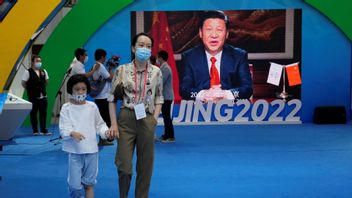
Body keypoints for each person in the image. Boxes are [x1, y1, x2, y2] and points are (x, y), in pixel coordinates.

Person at [108, 32, 164, 198]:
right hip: (126, 118)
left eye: (148, 46)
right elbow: (112, 98)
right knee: (124, 166)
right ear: (133, 48)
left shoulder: (156, 72)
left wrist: (154, 119)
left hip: (147, 119)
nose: (144, 49)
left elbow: (159, 97)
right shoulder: (122, 70)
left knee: (145, 166)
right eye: (141, 45)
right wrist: (113, 124)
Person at [180, 10, 253, 102]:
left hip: (232, 111)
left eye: (219, 30)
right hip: (200, 112)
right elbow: (184, 90)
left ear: (227, 34)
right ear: (201, 33)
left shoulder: (239, 56)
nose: (214, 35)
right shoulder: (189, 57)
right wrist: (203, 95)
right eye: (209, 29)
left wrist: (225, 94)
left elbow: (247, 89)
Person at [59, 74, 112, 198]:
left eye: (83, 89)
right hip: (75, 151)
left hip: (91, 151)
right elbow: (63, 128)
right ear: (71, 90)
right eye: (77, 89)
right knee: (74, 185)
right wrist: (72, 133)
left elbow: (100, 124)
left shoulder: (92, 107)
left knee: (89, 184)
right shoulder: (66, 108)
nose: (81, 92)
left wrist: (106, 132)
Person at [52, 48, 99, 124]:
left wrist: (89, 85)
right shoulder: (77, 65)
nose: (87, 57)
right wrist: (94, 70)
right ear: (81, 56)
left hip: (76, 90)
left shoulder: (80, 65)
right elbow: (85, 76)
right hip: (73, 91)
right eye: (85, 55)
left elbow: (81, 79)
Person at [21, 55, 51, 135]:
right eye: (37, 61)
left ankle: (43, 129)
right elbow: (23, 83)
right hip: (33, 96)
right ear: (32, 62)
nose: (39, 62)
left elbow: (47, 81)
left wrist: (41, 87)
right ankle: (35, 130)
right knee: (33, 113)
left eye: (40, 61)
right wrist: (30, 89)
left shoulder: (44, 71)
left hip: (43, 96)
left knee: (43, 113)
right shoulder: (27, 72)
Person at [92, 48, 114, 146]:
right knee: (106, 119)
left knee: (103, 118)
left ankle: (103, 138)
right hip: (103, 97)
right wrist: (111, 69)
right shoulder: (100, 66)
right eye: (105, 56)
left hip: (99, 97)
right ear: (102, 57)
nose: (105, 58)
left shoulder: (95, 65)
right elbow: (110, 78)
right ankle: (106, 138)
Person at [156, 50, 175, 143]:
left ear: (161, 58)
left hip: (167, 96)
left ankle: (170, 136)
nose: (157, 59)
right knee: (165, 116)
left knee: (166, 117)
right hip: (164, 96)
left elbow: (161, 82)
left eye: (158, 57)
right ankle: (166, 134)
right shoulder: (162, 67)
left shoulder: (166, 68)